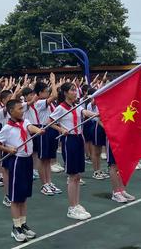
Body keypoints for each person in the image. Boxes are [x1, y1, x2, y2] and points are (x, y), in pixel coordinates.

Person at [0, 99, 44, 242]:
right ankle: (16, 227)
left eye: (22, 108)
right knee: (15, 197)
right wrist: (8, 149)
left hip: (27, 161)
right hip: (17, 161)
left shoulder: (25, 122)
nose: (22, 110)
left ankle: (23, 223)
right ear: (11, 111)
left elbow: (30, 127)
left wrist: (38, 130)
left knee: (24, 195)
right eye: (20, 108)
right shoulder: (7, 128)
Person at [49, 82, 97, 220]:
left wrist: (97, 114)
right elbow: (49, 122)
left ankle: (76, 204)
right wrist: (61, 129)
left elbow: (85, 112)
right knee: (72, 175)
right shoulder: (61, 108)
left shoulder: (76, 105)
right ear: (65, 93)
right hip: (69, 140)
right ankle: (71, 207)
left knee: (77, 176)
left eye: (75, 90)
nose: (75, 93)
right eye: (72, 90)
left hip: (78, 139)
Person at [33, 75, 61, 195]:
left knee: (48, 159)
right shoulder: (39, 102)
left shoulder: (48, 102)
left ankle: (49, 182)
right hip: (43, 130)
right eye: (46, 91)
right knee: (42, 158)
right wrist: (53, 82)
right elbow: (55, 95)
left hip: (52, 130)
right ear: (40, 93)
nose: (48, 93)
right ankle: (44, 184)